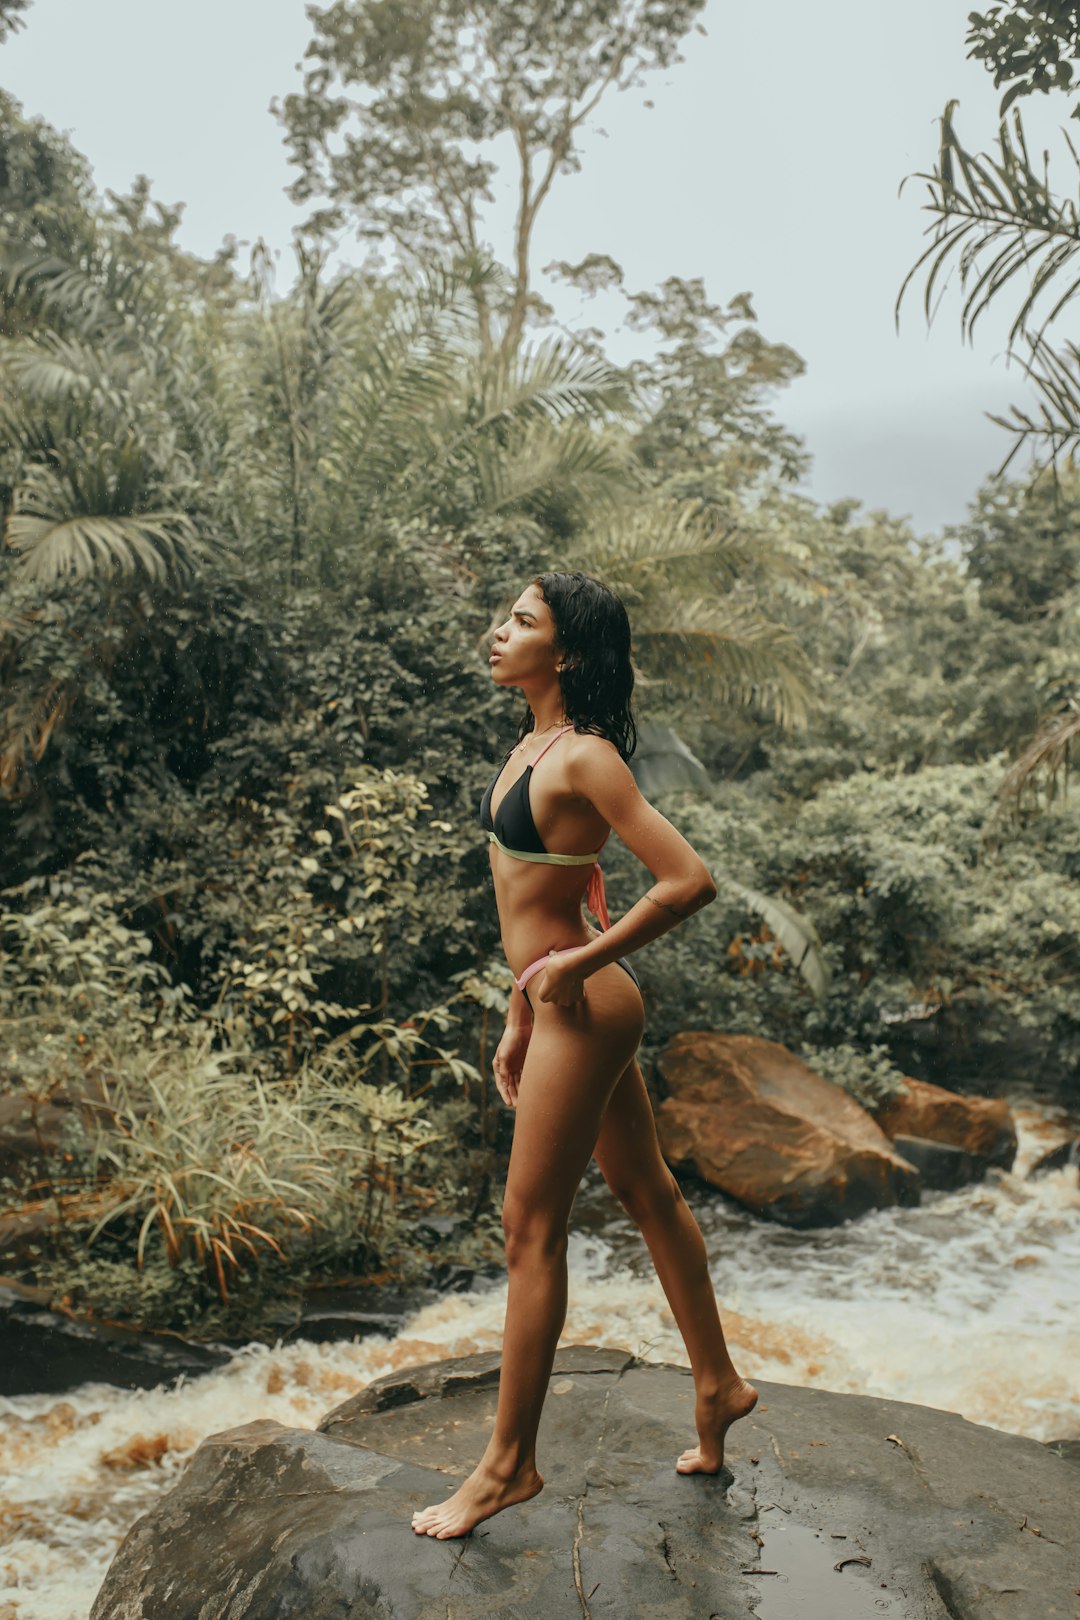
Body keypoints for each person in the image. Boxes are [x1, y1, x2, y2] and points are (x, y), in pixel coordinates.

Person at [411, 571, 757, 1540]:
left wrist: (574, 969)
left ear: (562, 653)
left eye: (520, 621)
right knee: (649, 1193)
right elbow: (565, 888)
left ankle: (509, 1466)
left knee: (529, 1232)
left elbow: (689, 880)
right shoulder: (534, 744)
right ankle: (719, 1385)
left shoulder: (587, 758)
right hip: (561, 1008)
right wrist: (528, 1003)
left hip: (586, 1009)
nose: (496, 632)